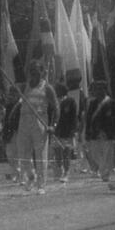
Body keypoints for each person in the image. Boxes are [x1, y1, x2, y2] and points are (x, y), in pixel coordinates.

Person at [16, 60, 58, 195]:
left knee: (40, 155)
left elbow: (56, 107)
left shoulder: (47, 88)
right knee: (23, 154)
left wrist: (53, 125)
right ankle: (31, 176)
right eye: (31, 71)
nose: (33, 74)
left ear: (42, 72)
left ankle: (41, 185)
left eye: (36, 71)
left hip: (40, 121)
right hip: (23, 122)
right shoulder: (24, 87)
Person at [83, 80, 115, 186]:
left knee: (107, 154)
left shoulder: (112, 103)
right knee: (95, 153)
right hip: (95, 133)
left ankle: (105, 173)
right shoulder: (92, 103)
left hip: (107, 133)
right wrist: (87, 132)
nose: (98, 91)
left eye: (100, 89)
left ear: (105, 90)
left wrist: (114, 132)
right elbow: (89, 118)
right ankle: (103, 169)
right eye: (97, 89)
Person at [54, 78, 80, 183]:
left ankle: (66, 172)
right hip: (56, 132)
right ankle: (59, 170)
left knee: (66, 153)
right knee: (57, 152)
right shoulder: (54, 101)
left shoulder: (70, 101)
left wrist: (73, 130)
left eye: (58, 89)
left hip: (67, 131)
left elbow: (74, 117)